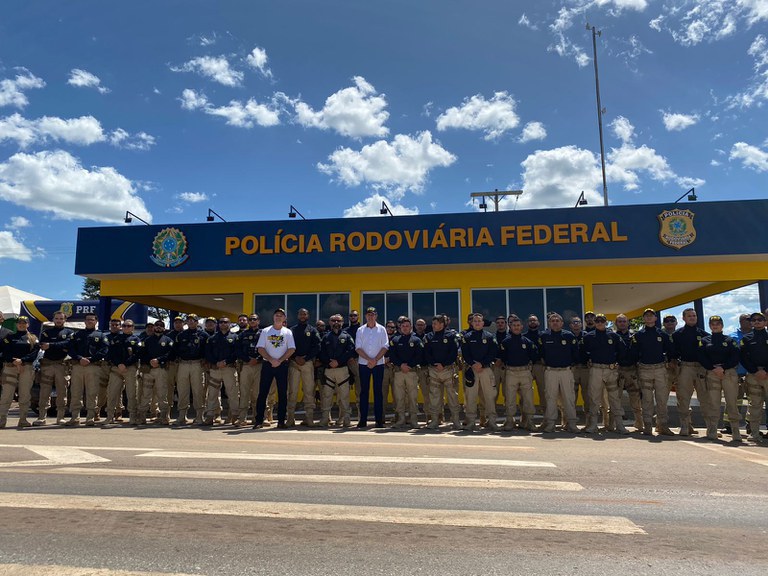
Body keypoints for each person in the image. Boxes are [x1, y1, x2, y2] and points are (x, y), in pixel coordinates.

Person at [631, 308, 675, 437]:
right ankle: (648, 426)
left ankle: (662, 426)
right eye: (646, 316)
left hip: (660, 369)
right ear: (644, 318)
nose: (649, 318)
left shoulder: (662, 334)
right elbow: (633, 353)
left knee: (662, 399)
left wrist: (671, 361)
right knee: (647, 399)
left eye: (651, 316)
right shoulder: (638, 335)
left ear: (655, 318)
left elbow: (671, 350)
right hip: (644, 369)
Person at [581, 313, 628, 435]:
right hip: (595, 370)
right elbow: (581, 352)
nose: (599, 322)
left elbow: (623, 350)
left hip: (611, 370)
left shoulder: (614, 336)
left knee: (614, 398)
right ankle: (592, 425)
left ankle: (619, 425)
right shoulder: (588, 337)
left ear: (606, 322)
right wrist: (588, 361)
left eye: (602, 320)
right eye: (597, 320)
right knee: (594, 398)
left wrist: (618, 362)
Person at [698, 315, 741, 441]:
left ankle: (735, 430)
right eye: (712, 323)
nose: (715, 325)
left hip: (728, 373)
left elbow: (735, 356)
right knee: (713, 402)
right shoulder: (705, 340)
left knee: (732, 402)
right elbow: (701, 357)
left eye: (718, 323)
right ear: (709, 326)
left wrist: (723, 368)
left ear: (722, 325)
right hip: (712, 373)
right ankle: (712, 430)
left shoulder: (730, 340)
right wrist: (713, 368)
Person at [254, 308, 296, 429]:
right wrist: (271, 360)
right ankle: (259, 421)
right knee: (263, 393)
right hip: (268, 365)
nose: (278, 317)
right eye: (276, 315)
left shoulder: (288, 332)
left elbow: (291, 349)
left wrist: (280, 360)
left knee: (282, 394)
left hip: (282, 365)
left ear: (284, 319)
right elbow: (260, 348)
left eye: (281, 316)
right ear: (273, 317)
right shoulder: (266, 331)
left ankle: (281, 421)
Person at [537, 313, 579, 433]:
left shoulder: (569, 336)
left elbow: (575, 353)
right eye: (552, 321)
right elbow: (541, 353)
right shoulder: (544, 336)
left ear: (562, 323)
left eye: (557, 320)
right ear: (549, 323)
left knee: (569, 398)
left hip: (566, 371)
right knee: (550, 398)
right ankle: (550, 424)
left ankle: (571, 424)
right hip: (551, 371)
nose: (555, 322)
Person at [65, 312, 108, 426]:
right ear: (84, 321)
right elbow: (70, 349)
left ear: (96, 322)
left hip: (93, 367)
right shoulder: (77, 334)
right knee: (75, 392)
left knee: (92, 392)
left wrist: (91, 359)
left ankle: (90, 417)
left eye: (92, 319)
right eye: (87, 319)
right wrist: (79, 358)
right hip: (78, 366)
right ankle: (75, 417)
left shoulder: (101, 335)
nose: (89, 321)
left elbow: (104, 350)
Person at [671, 308, 709, 436]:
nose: (692, 317)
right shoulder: (677, 334)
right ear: (683, 318)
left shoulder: (704, 335)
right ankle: (685, 425)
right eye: (689, 316)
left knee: (705, 398)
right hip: (685, 367)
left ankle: (711, 428)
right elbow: (673, 353)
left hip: (701, 368)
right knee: (683, 398)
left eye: (694, 315)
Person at [497, 315, 538, 431]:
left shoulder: (527, 341)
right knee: (510, 398)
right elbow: (503, 357)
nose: (516, 327)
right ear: (510, 327)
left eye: (518, 325)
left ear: (522, 327)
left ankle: (529, 422)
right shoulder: (506, 342)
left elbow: (534, 356)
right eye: (514, 325)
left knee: (528, 398)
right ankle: (510, 421)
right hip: (511, 372)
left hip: (525, 372)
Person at [460, 313, 499, 431]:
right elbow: (465, 353)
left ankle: (492, 421)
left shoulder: (489, 336)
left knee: (489, 396)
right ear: (472, 323)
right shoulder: (466, 337)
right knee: (471, 397)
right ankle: (471, 422)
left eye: (479, 321)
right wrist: (473, 364)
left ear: (483, 323)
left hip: (486, 370)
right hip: (471, 370)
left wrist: (482, 364)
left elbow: (492, 353)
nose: (477, 323)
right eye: (475, 321)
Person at [423, 314, 461, 430]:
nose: (433, 325)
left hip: (448, 370)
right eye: (433, 323)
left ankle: (456, 421)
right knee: (434, 397)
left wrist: (443, 364)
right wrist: (435, 364)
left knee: (452, 397)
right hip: (434, 370)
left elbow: (453, 352)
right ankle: (435, 420)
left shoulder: (450, 336)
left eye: (435, 323)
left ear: (442, 324)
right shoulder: (429, 336)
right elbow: (426, 353)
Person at [0, 316, 39, 428]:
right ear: (16, 324)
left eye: (24, 323)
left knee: (25, 395)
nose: (21, 324)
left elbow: (34, 353)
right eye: (19, 323)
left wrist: (22, 360)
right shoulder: (9, 337)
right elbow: (4, 352)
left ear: (28, 324)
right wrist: (15, 361)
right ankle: (2, 421)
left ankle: (23, 420)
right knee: (6, 395)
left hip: (26, 368)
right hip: (10, 367)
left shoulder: (32, 338)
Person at [317, 314, 356, 427]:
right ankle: (325, 419)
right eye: (333, 320)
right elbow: (321, 352)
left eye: (338, 321)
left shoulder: (347, 336)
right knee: (327, 396)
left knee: (344, 396)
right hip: (329, 370)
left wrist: (338, 361)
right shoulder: (325, 337)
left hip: (342, 370)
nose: (336, 323)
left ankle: (346, 419)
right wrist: (329, 362)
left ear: (343, 322)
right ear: (330, 322)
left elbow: (351, 351)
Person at [36, 310, 74, 425]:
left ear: (65, 320)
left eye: (61, 318)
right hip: (47, 365)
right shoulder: (46, 332)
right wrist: (59, 345)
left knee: (62, 392)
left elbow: (68, 344)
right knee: (44, 392)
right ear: (53, 319)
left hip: (62, 365)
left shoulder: (69, 332)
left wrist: (51, 345)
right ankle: (41, 417)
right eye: (56, 318)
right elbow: (43, 345)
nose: (59, 320)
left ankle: (60, 417)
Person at [355, 307, 389, 428]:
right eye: (368, 315)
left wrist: (375, 360)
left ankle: (379, 420)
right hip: (364, 364)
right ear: (365, 316)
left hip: (378, 364)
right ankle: (362, 420)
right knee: (363, 392)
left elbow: (385, 346)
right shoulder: (360, 330)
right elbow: (358, 347)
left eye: (373, 314)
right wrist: (369, 359)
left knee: (378, 392)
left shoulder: (382, 329)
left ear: (376, 316)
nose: (370, 317)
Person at [136, 320, 174, 425]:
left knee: (162, 393)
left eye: (160, 326)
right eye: (156, 326)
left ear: (164, 328)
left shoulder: (168, 340)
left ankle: (163, 416)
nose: (158, 327)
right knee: (146, 393)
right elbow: (141, 353)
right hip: (148, 370)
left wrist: (159, 360)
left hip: (161, 369)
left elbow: (170, 354)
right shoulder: (147, 340)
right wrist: (150, 361)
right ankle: (142, 415)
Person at [104, 318, 141, 425]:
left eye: (128, 326)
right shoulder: (116, 338)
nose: (126, 327)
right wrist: (119, 364)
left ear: (133, 328)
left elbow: (137, 354)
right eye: (124, 326)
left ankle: (133, 416)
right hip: (116, 369)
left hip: (130, 369)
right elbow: (111, 353)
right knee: (112, 393)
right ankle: (110, 416)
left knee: (132, 393)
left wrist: (126, 364)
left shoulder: (137, 339)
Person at [204, 318, 240, 425]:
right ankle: (210, 416)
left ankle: (234, 415)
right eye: (221, 322)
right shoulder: (212, 338)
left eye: (226, 322)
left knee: (232, 393)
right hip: (215, 369)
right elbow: (208, 353)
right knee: (212, 393)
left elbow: (236, 352)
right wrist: (216, 362)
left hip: (229, 368)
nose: (223, 324)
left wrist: (226, 361)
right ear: (218, 325)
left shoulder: (234, 337)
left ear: (230, 324)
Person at [388, 317, 424, 428]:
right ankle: (401, 419)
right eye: (403, 326)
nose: (405, 328)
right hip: (398, 372)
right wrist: (401, 365)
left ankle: (413, 420)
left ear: (411, 327)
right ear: (400, 327)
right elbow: (392, 356)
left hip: (411, 372)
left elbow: (419, 356)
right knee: (399, 397)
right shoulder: (395, 340)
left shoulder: (416, 340)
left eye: (407, 326)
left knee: (412, 397)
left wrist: (409, 365)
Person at [288, 308, 320, 427]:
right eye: (300, 314)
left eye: (305, 314)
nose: (302, 316)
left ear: (308, 316)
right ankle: (290, 419)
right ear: (298, 315)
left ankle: (309, 418)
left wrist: (305, 358)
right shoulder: (291, 330)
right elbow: (288, 345)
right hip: (294, 363)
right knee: (292, 391)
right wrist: (296, 357)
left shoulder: (312, 330)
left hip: (307, 363)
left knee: (309, 391)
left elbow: (317, 347)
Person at [173, 314, 208, 425]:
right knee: (182, 390)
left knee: (198, 390)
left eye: (193, 320)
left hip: (197, 364)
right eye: (188, 320)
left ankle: (199, 416)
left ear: (197, 322)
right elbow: (175, 350)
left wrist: (205, 360)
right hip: (183, 364)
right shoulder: (181, 335)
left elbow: (207, 350)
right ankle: (182, 416)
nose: (191, 322)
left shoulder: (203, 335)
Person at [740, 312, 768, 444]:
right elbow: (744, 357)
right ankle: (755, 434)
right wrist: (755, 371)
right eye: (754, 320)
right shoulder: (747, 338)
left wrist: (765, 371)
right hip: (753, 375)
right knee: (755, 405)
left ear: (765, 321)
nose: (757, 322)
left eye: (760, 319)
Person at [614, 313, 644, 431]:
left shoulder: (635, 335)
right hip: (617, 370)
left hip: (632, 369)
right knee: (615, 397)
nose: (622, 323)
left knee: (635, 396)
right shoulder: (612, 336)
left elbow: (640, 350)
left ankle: (639, 422)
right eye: (620, 321)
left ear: (628, 323)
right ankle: (614, 424)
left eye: (624, 321)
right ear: (616, 323)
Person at [236, 314, 262, 426]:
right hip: (246, 365)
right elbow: (238, 350)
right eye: (250, 319)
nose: (252, 321)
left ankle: (259, 417)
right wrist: (247, 359)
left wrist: (257, 359)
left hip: (259, 365)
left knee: (257, 393)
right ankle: (242, 418)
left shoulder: (263, 334)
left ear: (258, 321)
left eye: (254, 319)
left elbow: (267, 348)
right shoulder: (242, 334)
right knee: (244, 392)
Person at [524, 314, 546, 414]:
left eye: (534, 320)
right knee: (526, 392)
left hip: (540, 366)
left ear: (538, 323)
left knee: (543, 391)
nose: (532, 322)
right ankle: (526, 418)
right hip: (527, 367)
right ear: (527, 323)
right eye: (530, 321)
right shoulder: (523, 337)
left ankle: (546, 416)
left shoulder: (544, 335)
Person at [344, 310, 362, 417]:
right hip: (346, 362)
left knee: (359, 390)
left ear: (358, 317)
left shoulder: (363, 330)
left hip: (358, 361)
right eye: (351, 315)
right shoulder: (345, 331)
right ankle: (344, 417)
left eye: (355, 315)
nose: (353, 317)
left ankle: (361, 415)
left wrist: (355, 357)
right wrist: (348, 357)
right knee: (343, 390)